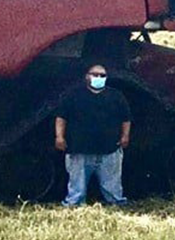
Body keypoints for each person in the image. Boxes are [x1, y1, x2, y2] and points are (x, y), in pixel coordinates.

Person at [55, 64, 131, 207]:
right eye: (95, 74)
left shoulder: (116, 96)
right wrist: (59, 137)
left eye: (102, 75)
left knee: (112, 184)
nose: (98, 78)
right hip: (79, 148)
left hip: (109, 149)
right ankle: (73, 205)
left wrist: (125, 136)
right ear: (87, 76)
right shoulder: (73, 95)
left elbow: (125, 119)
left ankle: (116, 204)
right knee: (77, 184)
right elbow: (61, 117)